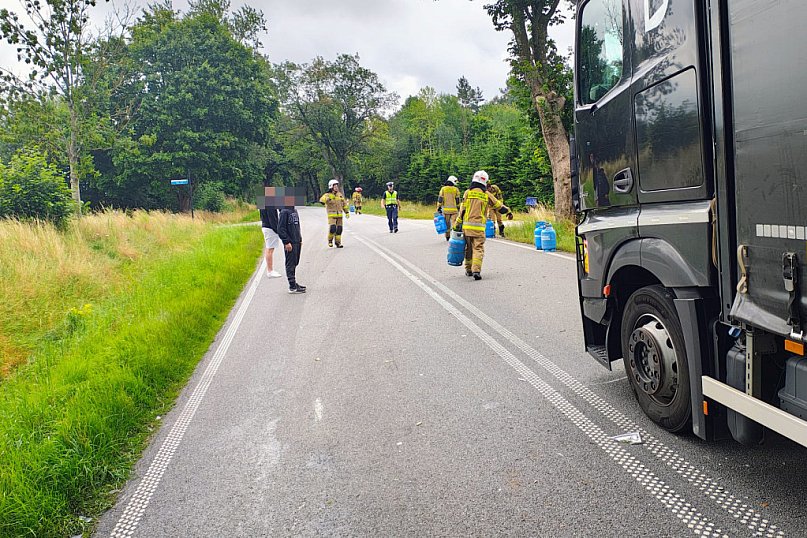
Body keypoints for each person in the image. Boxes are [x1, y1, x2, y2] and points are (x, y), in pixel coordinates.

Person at [454, 170, 513, 280]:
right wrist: (509, 212)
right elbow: (499, 206)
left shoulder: (467, 193)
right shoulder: (486, 194)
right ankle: (476, 270)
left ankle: (468, 270)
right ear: (485, 182)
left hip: (466, 227)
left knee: (468, 249)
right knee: (478, 248)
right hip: (479, 228)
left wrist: (457, 223)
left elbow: (462, 209)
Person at [278, 204, 306, 294]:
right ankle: (292, 286)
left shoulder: (294, 210)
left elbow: (297, 227)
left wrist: (300, 238)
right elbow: (281, 229)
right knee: (290, 263)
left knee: (295, 262)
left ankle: (294, 283)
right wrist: (286, 242)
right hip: (290, 242)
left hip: (296, 240)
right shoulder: (284, 212)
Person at [319, 179, 350, 247]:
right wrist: (328, 199)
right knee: (333, 228)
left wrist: (347, 212)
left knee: (339, 229)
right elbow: (321, 201)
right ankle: (330, 240)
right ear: (331, 187)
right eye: (335, 186)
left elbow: (344, 204)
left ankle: (338, 243)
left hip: (339, 215)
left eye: (337, 186)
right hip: (331, 215)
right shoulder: (327, 195)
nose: (337, 188)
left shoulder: (340, 195)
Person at [259, 205, 283, 278]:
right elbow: (272, 219)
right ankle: (270, 271)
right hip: (270, 228)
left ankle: (270, 270)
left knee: (269, 248)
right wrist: (278, 230)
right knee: (270, 249)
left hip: (266, 226)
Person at [437, 175, 461, 241]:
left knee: (447, 224)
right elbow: (458, 200)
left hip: (446, 210)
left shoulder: (443, 189)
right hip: (454, 210)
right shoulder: (456, 189)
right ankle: (455, 236)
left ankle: (447, 237)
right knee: (454, 223)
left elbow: (440, 199)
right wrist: (459, 208)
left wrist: (438, 207)